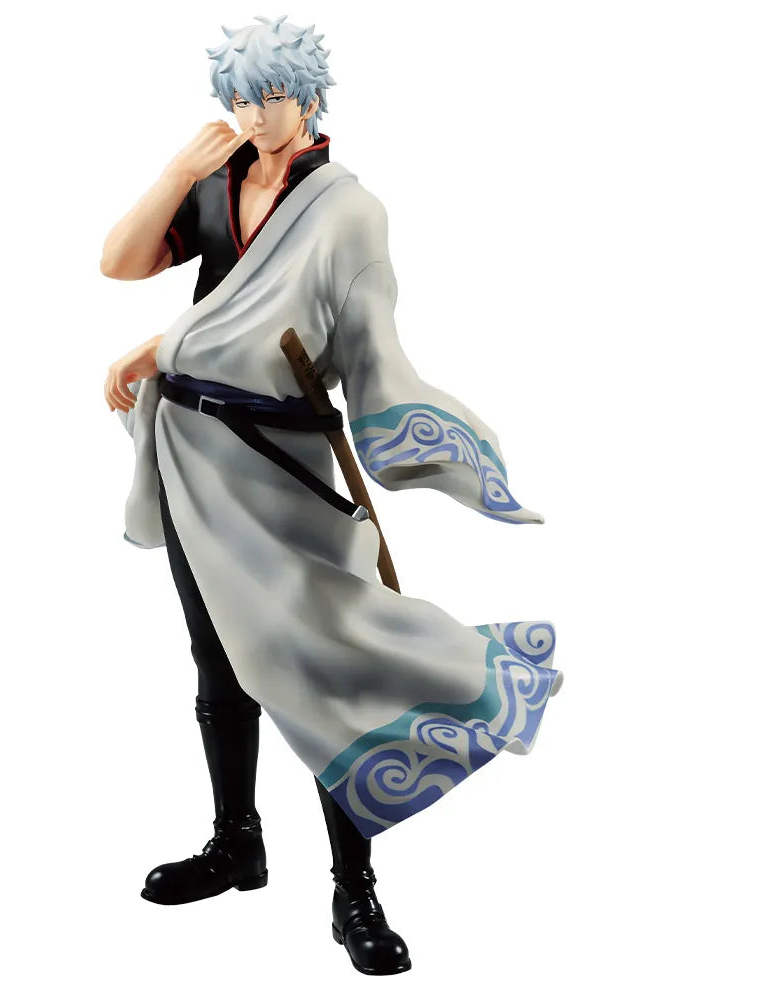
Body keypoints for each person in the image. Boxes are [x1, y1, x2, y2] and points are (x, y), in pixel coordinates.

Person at [100, 15, 561, 977]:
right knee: (219, 661)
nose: (253, 115)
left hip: (284, 462)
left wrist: (165, 344)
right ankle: (237, 842)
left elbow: (352, 340)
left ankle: (355, 889)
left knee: (322, 664)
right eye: (238, 97)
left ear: (309, 95)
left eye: (269, 95)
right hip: (191, 449)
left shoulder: (348, 210)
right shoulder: (219, 185)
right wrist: (179, 170)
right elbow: (121, 262)